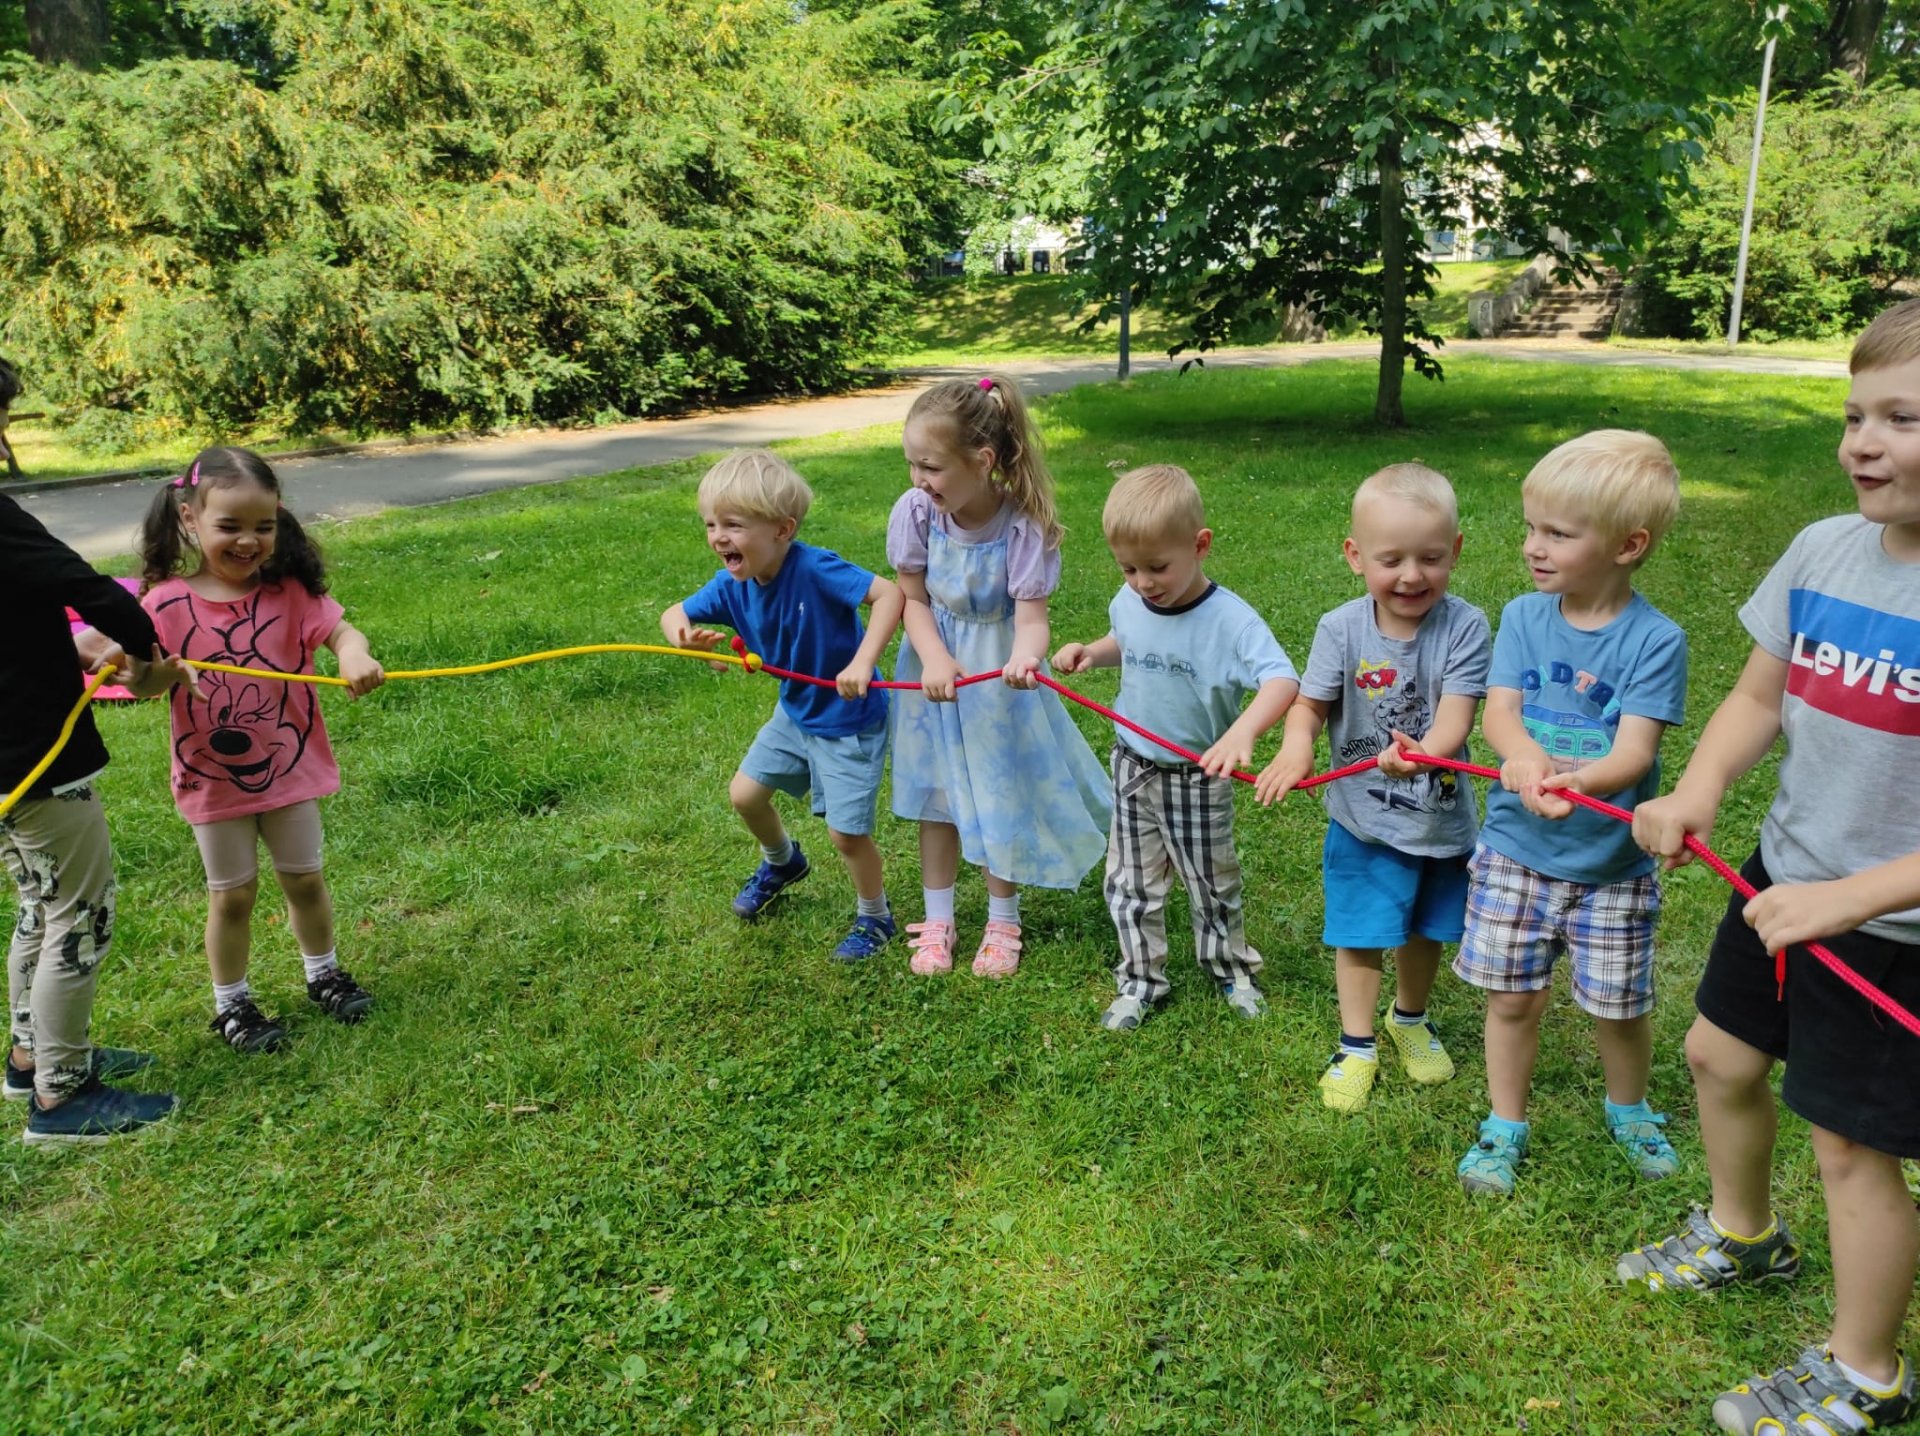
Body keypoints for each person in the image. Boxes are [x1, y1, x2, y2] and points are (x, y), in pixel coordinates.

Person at [1616, 299, 1920, 1435]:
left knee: (1852, 1144)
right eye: (1854, 416)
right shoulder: (1823, 550)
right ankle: (1745, 1235)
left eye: (1901, 419)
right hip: (1784, 878)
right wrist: (1698, 791)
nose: (1862, 444)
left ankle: (1866, 1371)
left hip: (1889, 928)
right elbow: (1758, 696)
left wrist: (1847, 900)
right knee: (1717, 1054)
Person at [1451, 430, 1687, 1196]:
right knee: (1512, 998)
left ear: (1628, 545)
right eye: (1531, 527)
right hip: (1515, 849)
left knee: (1619, 1005)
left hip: (1610, 865)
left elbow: (1634, 752)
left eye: (1557, 533)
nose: (1533, 546)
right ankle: (1505, 1124)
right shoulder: (1524, 616)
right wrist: (1523, 758)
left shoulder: (1656, 641)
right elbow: (1500, 712)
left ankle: (1630, 1109)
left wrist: (1574, 780)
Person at [1256, 464, 1490, 1111]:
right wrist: (1297, 745)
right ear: (1356, 556)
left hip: (1439, 817)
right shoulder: (1341, 628)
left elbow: (1457, 718)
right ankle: (1355, 1044)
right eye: (1392, 560)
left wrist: (1425, 754)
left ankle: (1409, 1018)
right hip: (1361, 820)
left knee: (1425, 929)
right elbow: (1309, 706)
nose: (1412, 575)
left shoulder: (1466, 626)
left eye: (1431, 558)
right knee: (1360, 931)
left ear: (1456, 551)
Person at [137, 448, 384, 1052]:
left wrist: (353, 653)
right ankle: (232, 1005)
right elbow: (142, 683)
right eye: (230, 526)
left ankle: (323, 974)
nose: (248, 541)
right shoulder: (164, 604)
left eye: (263, 526)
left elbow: (341, 630)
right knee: (233, 895)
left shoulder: (289, 593)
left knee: (305, 879)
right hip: (211, 779)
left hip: (290, 772)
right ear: (190, 518)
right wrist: (155, 673)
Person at [1053, 464, 1298, 1029]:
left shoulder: (1231, 622)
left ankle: (1232, 970)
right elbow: (1127, 640)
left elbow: (1282, 680)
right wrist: (1093, 651)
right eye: (1129, 568)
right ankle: (1141, 981)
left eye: (1157, 567)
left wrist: (1242, 732)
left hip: (1196, 777)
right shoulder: (1129, 599)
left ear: (1200, 545)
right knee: (1130, 884)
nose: (1143, 582)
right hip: (1132, 767)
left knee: (1211, 883)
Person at [889, 374, 1110, 977]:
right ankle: (938, 920)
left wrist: (1025, 657)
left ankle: (1002, 919)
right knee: (937, 797)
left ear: (982, 461)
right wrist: (935, 657)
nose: (918, 479)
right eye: (912, 464)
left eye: (931, 467)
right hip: (933, 672)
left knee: (997, 793)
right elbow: (912, 599)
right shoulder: (917, 513)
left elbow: (1033, 621)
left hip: (994, 676)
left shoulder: (1022, 526)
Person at [3, 491, 198, 1142]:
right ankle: (61, 1093)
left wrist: (67, 653)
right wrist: (146, 652)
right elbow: (90, 590)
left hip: (9, 770)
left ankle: (32, 1059)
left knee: (40, 905)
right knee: (79, 916)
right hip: (36, 762)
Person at [661, 449, 905, 961]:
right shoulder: (732, 586)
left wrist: (863, 662)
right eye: (710, 524)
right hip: (795, 714)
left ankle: (876, 917)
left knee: (846, 835)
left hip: (847, 721)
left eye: (733, 524)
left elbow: (889, 596)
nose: (718, 537)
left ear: (782, 529)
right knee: (745, 796)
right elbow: (674, 613)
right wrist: (685, 640)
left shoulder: (815, 569)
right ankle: (783, 861)